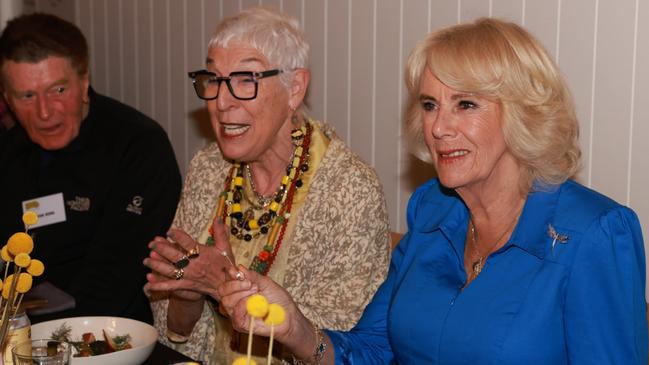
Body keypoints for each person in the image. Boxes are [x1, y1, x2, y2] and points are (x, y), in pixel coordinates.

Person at [217, 17, 648, 364]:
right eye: (429, 105)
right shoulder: (433, 211)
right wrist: (294, 329)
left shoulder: (594, 234)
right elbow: (372, 351)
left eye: (466, 104)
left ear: (523, 114)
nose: (438, 127)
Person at [143, 6, 391, 365]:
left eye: (246, 79)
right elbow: (173, 333)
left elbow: (332, 346)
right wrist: (188, 292)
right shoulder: (210, 168)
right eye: (213, 79)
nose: (222, 102)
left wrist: (221, 282)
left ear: (294, 88)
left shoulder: (349, 190)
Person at [0, 13, 182, 324]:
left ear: (84, 83)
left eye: (58, 90)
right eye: (27, 95)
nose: (44, 112)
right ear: (7, 99)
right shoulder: (8, 153)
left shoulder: (138, 146)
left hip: (109, 335)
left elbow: (116, 278)